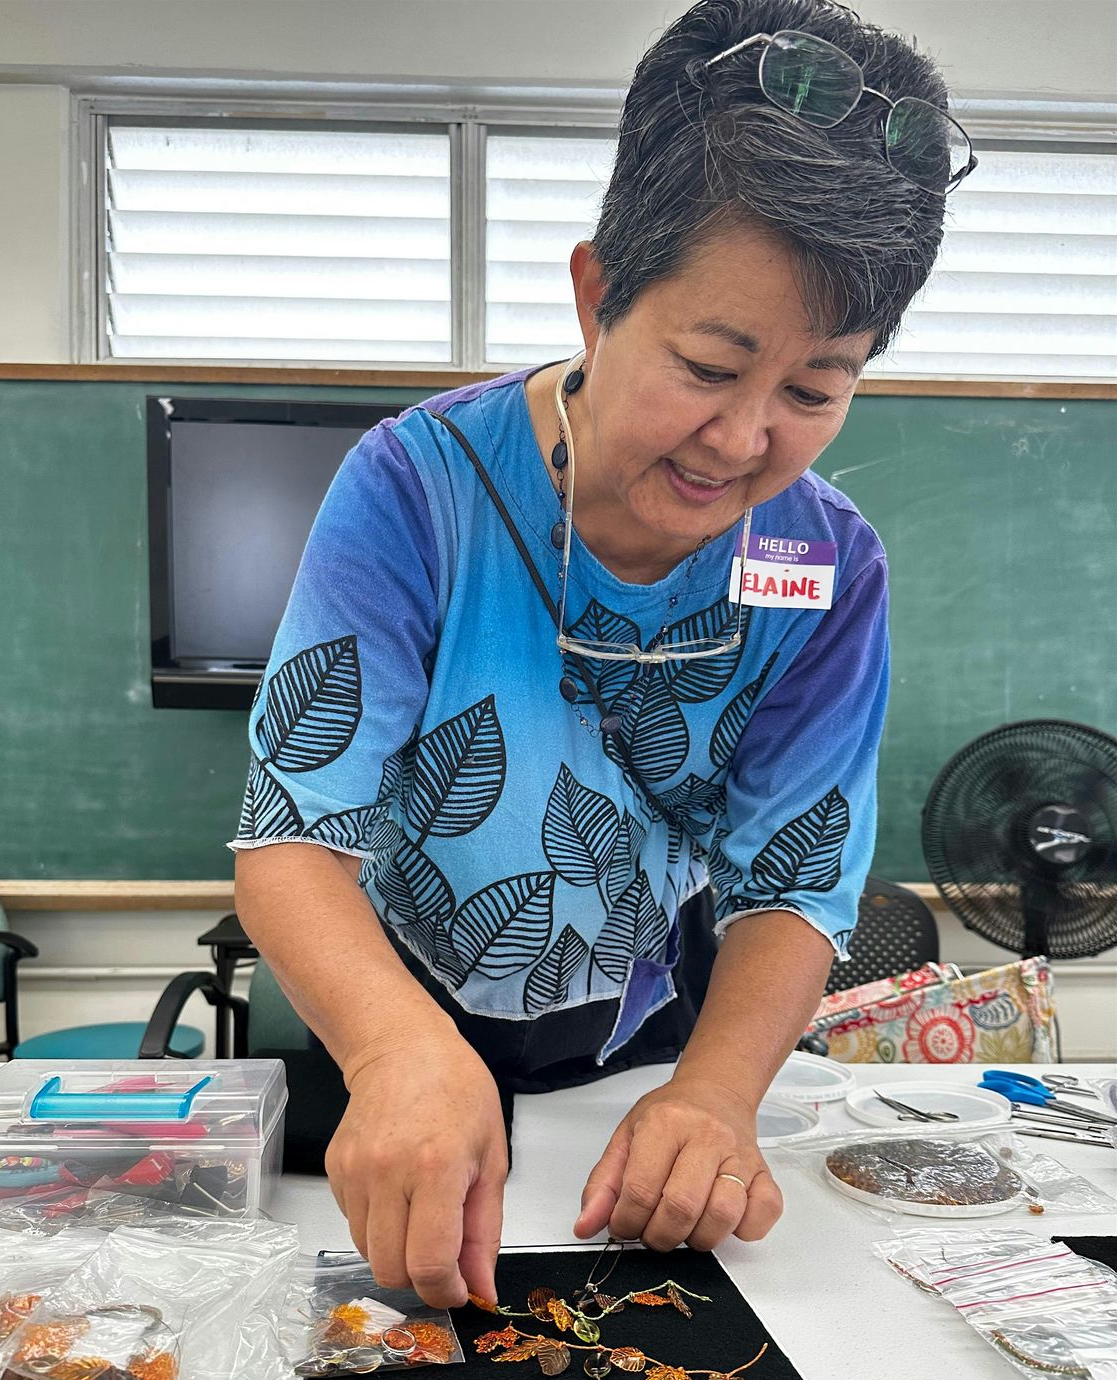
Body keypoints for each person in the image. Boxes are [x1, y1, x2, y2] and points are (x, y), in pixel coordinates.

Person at [232, 0, 974, 1309]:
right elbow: (292, 835)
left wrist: (716, 1096)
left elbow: (795, 881)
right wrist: (396, 1050)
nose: (742, 440)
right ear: (597, 296)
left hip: (650, 1027)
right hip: (401, 1006)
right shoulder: (418, 491)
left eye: (814, 391)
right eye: (708, 367)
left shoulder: (826, 565)